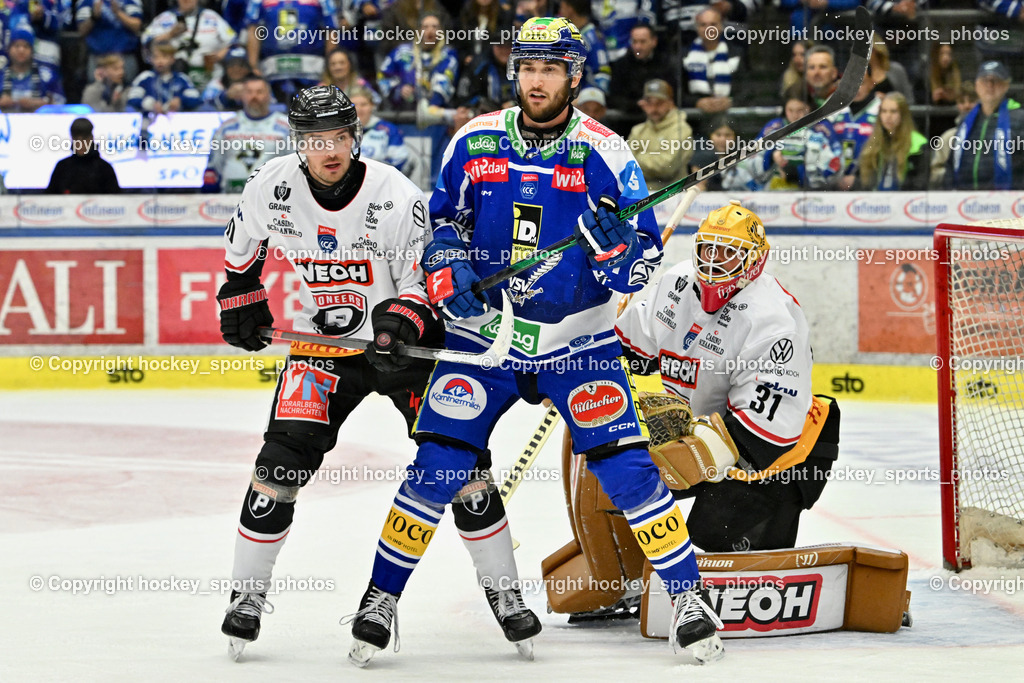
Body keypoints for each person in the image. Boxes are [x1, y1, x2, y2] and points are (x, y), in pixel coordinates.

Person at [345, 16, 724, 667]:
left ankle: (689, 596)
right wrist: (446, 270)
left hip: (575, 343)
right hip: (484, 340)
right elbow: (441, 222)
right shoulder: (474, 140)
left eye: (550, 68)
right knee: (437, 467)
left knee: (628, 469)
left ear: (574, 75)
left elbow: (638, 264)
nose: (537, 80)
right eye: (528, 67)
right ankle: (380, 598)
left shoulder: (606, 153)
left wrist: (614, 252)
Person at [216, 84, 523, 660]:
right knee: (278, 464)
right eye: (314, 139)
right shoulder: (271, 185)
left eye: (339, 136)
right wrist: (241, 292)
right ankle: (246, 597)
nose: (328, 149)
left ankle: (505, 594)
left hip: (401, 350)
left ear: (355, 137)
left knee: (463, 470)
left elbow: (419, 284)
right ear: (298, 142)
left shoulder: (394, 193)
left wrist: (403, 324)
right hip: (322, 348)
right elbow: (241, 251)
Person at [616, 200, 840, 553]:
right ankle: (623, 583)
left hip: (780, 453)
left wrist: (677, 455)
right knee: (610, 466)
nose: (712, 262)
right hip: (699, 434)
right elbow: (627, 348)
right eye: (708, 250)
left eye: (728, 254)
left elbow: (763, 439)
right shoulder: (675, 284)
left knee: (714, 540)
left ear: (753, 262)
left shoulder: (771, 320)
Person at [944, 61, 1024, 190]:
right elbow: (951, 164)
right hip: (964, 201)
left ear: (1006, 86)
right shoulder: (966, 121)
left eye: (995, 81)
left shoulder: (1019, 119)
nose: (989, 85)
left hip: (1007, 202)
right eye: (984, 80)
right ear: (977, 86)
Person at [204, 76, 290, 193]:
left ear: (269, 96)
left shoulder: (285, 127)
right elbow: (214, 165)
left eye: (259, 92)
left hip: (269, 201)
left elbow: (294, 166)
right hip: (229, 201)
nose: (254, 97)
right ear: (242, 96)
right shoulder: (226, 127)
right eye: (249, 92)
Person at [141, 0, 235, 91]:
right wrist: (170, 34)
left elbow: (234, 42)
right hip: (175, 77)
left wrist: (220, 54)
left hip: (209, 75)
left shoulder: (212, 17)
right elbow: (146, 42)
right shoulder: (164, 18)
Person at [377, 12, 459, 112]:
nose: (430, 31)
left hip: (436, 114)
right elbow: (383, 76)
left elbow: (446, 81)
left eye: (435, 27)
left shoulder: (448, 55)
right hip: (403, 113)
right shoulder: (401, 52)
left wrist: (431, 105)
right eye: (425, 27)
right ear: (418, 31)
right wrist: (399, 90)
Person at [628, 79, 694, 191]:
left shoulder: (681, 129)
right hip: (640, 194)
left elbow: (667, 168)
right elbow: (627, 166)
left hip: (672, 195)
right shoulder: (637, 130)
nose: (653, 108)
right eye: (649, 102)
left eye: (659, 103)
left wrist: (638, 158)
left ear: (670, 103)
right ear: (643, 104)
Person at [856, 92, 928, 191]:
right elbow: (862, 181)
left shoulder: (918, 143)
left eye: (893, 111)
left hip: (904, 200)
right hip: (873, 203)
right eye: (884, 111)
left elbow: (920, 181)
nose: (888, 116)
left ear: (903, 115)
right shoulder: (872, 143)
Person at [679, 8, 740, 115]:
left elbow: (747, 89)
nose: (708, 28)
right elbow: (679, 93)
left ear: (721, 26)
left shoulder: (736, 53)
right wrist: (697, 102)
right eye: (703, 25)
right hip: (695, 116)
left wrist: (731, 101)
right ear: (697, 28)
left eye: (713, 24)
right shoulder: (684, 55)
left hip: (728, 115)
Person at [349, 85, 416, 178]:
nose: (359, 109)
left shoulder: (388, 129)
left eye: (364, 104)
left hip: (381, 181)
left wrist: (374, 171)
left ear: (372, 106)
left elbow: (400, 160)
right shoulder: (339, 131)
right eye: (354, 105)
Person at [45, 117, 120, 194]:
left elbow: (116, 201)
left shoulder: (104, 169)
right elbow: (49, 199)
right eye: (77, 140)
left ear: (91, 139)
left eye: (84, 139)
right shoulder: (62, 167)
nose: (80, 144)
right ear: (72, 139)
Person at [0, 26, 65, 112]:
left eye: (26, 46)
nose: (21, 50)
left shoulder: (47, 75)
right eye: (16, 46)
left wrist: (37, 103)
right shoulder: (2, 75)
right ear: (9, 49)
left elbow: (60, 102)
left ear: (32, 50)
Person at [126, 41, 202, 113]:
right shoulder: (145, 77)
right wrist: (146, 103)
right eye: (156, 57)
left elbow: (195, 99)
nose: (160, 61)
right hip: (149, 119)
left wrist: (181, 100)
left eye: (164, 57)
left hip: (177, 120)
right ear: (151, 59)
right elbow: (132, 99)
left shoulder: (181, 78)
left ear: (172, 59)